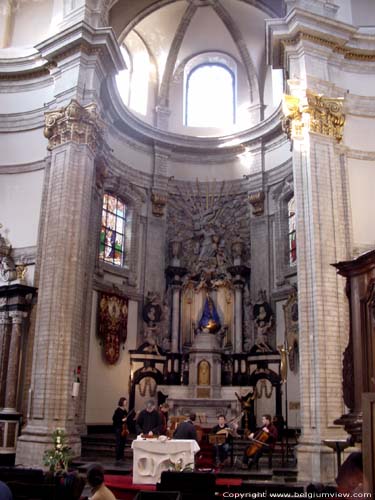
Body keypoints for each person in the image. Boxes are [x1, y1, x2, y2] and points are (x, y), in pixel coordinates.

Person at [112, 397, 128, 462]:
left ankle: (122, 456)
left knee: (123, 443)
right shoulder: (118, 410)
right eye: (125, 401)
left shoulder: (125, 410)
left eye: (126, 401)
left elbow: (127, 420)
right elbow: (114, 419)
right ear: (122, 402)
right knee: (118, 443)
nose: (126, 402)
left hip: (124, 429)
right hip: (118, 428)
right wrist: (122, 420)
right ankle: (118, 457)